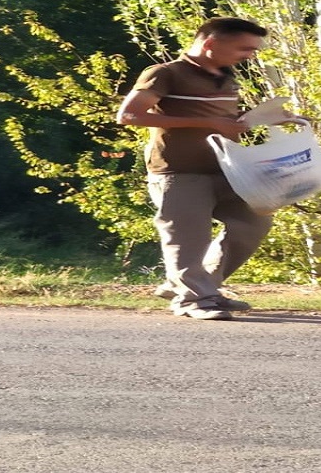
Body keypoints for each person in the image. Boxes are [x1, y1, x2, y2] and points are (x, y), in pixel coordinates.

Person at [116, 17, 275, 321]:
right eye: (244, 48)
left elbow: (225, 117)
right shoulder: (164, 73)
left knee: (254, 223)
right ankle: (193, 300)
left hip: (229, 168)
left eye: (253, 49)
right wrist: (207, 123)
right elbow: (129, 116)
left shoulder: (225, 77)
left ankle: (201, 287)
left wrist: (271, 116)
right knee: (188, 238)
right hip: (178, 170)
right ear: (211, 44)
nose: (250, 55)